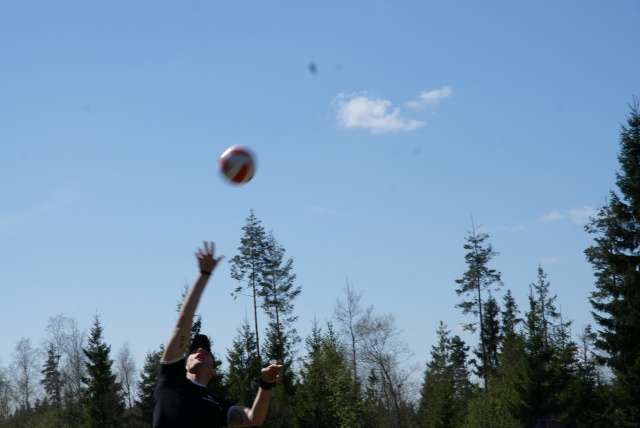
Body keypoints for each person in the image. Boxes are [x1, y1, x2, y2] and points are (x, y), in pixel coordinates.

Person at [153, 241, 283, 427]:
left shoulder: (218, 405)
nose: (200, 350)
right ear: (184, 365)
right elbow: (183, 324)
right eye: (194, 351)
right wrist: (204, 274)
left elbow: (254, 418)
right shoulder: (171, 379)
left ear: (213, 371)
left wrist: (265, 384)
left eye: (206, 352)